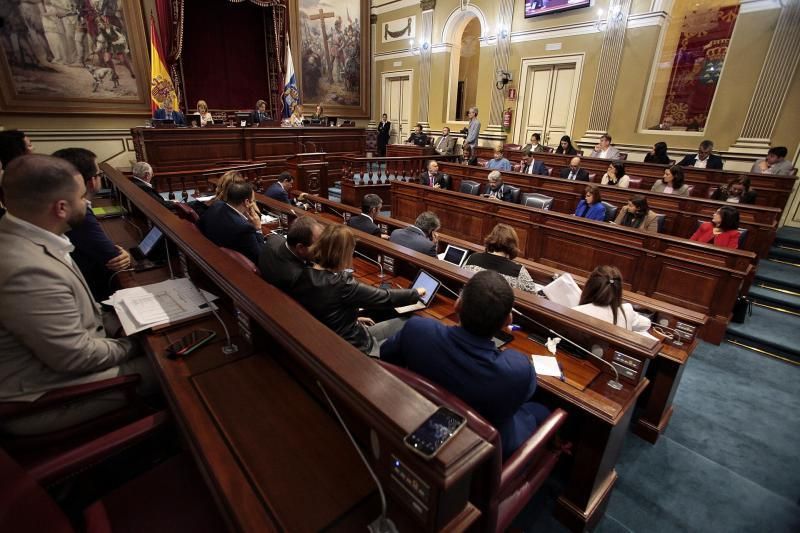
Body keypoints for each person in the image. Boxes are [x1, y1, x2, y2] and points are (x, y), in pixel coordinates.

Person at [0, 155, 155, 435]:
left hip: (64, 364)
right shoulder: (26, 270)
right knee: (176, 367)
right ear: (61, 208)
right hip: (46, 398)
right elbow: (74, 358)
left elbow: (84, 314)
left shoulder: (27, 236)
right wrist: (139, 343)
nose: (88, 202)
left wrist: (120, 323)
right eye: (82, 197)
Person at [381, 270, 550, 459]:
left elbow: (386, 355)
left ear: (457, 304)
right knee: (542, 411)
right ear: (507, 321)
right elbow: (526, 394)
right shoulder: (517, 368)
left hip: (416, 419)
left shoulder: (417, 330)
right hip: (484, 454)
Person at [292, 225, 423, 356]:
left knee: (405, 322)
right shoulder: (341, 284)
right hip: (357, 348)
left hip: (340, 336)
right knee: (411, 327)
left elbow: (326, 310)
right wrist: (416, 293)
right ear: (343, 253)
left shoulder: (305, 272)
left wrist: (352, 318)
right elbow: (385, 297)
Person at [53, 148, 131, 301]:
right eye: (100, 175)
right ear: (91, 181)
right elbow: (114, 258)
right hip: (94, 294)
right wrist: (127, 256)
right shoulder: (77, 212)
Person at [198, 181, 265, 263]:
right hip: (232, 266)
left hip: (208, 253)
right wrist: (258, 229)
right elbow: (260, 257)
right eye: (253, 200)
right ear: (247, 202)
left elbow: (199, 225)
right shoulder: (244, 227)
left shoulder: (217, 205)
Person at [572, 265, 651, 332]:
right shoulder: (627, 310)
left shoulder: (577, 311)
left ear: (589, 287)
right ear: (618, 290)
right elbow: (646, 323)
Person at [463, 224, 537, 292]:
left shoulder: (472, 258)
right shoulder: (519, 272)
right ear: (513, 244)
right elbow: (534, 297)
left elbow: (463, 284)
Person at [258, 216, 322, 291]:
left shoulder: (273, 239)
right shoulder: (297, 277)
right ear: (300, 248)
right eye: (318, 246)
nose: (321, 250)